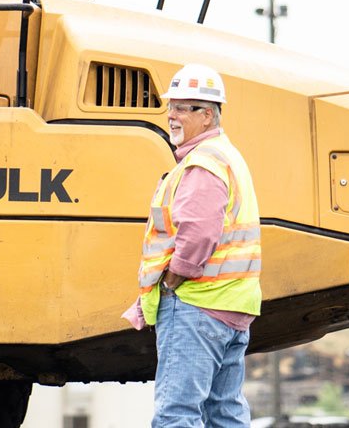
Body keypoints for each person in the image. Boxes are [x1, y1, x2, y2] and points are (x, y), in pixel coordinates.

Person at [121, 63, 263, 428]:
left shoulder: (203, 164)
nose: (172, 116)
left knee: (176, 415)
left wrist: (172, 280)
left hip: (197, 306)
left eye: (184, 108)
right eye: (171, 107)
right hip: (231, 307)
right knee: (225, 413)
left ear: (208, 115)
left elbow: (198, 234)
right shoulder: (227, 155)